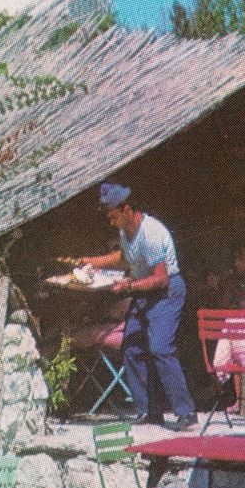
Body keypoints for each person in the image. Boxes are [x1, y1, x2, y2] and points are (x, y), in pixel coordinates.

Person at [76, 182, 197, 430]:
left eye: (113, 217)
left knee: (160, 348)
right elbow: (124, 257)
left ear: (127, 209)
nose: (111, 223)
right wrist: (94, 262)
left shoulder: (150, 233)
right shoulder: (125, 231)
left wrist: (128, 288)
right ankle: (148, 410)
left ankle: (186, 412)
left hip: (166, 292)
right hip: (144, 290)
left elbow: (160, 278)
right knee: (131, 347)